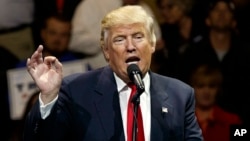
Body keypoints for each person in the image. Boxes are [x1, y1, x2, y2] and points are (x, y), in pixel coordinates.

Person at [23, 5, 203, 141]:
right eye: (120, 39)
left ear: (153, 44)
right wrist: (48, 97)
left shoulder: (180, 94)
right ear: (107, 51)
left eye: (138, 37)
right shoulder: (76, 90)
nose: (131, 46)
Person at [189, 64, 242, 141]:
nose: (206, 92)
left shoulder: (233, 121)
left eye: (211, 86)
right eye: (201, 86)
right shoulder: (181, 121)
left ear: (218, 90)